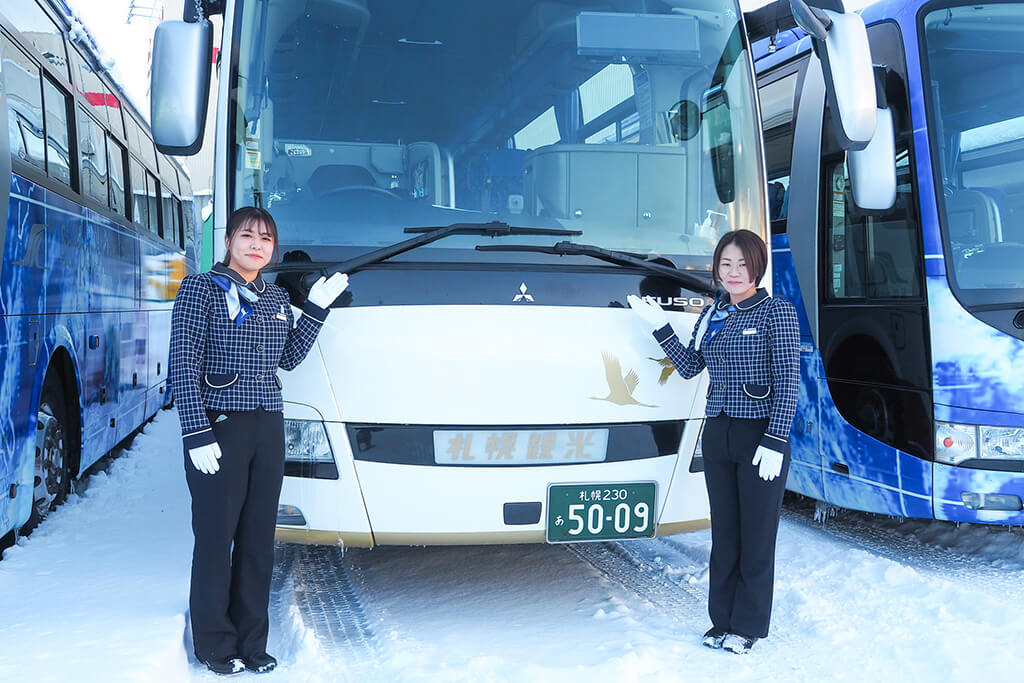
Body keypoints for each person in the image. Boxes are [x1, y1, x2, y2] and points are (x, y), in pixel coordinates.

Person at [169, 207, 348, 675]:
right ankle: (214, 643)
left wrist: (315, 309)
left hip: (268, 425)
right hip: (219, 425)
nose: (256, 244)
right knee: (215, 539)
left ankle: (252, 642)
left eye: (266, 238)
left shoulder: (274, 298)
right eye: (247, 235)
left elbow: (288, 358)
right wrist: (195, 431)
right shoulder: (200, 289)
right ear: (229, 240)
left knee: (257, 540)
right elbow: (183, 364)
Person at [627, 229, 799, 655]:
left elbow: (789, 381)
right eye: (726, 264)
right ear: (717, 269)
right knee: (725, 533)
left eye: (743, 264)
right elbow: (690, 367)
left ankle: (748, 626)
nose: (734, 272)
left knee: (756, 536)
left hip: (759, 436)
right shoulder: (712, 315)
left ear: (757, 267)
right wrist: (661, 328)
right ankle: (721, 621)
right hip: (718, 433)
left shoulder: (776, 312)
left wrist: (776, 439)